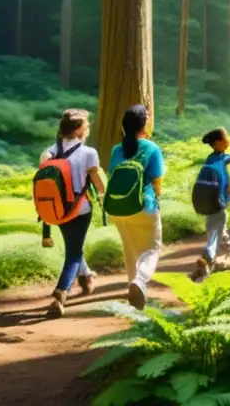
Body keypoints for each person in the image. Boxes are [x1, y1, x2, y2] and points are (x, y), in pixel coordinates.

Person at [42, 109, 105, 318]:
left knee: (73, 245)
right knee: (74, 254)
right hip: (80, 208)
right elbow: (98, 184)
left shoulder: (49, 151)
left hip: (56, 210)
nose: (87, 130)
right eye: (86, 126)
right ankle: (60, 295)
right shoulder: (89, 153)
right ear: (78, 130)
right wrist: (105, 196)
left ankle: (86, 276)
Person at [106, 105, 165, 310]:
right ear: (144, 125)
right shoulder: (151, 148)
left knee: (129, 250)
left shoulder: (116, 149)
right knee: (152, 248)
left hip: (117, 208)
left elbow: (111, 175)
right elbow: (157, 181)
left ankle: (135, 299)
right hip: (143, 206)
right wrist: (156, 199)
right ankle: (139, 282)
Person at [189, 128, 230, 282]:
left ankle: (221, 262)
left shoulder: (210, 160)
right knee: (214, 239)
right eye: (226, 138)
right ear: (218, 142)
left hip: (209, 207)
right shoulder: (220, 163)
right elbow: (225, 188)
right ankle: (205, 263)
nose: (228, 140)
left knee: (217, 233)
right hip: (218, 207)